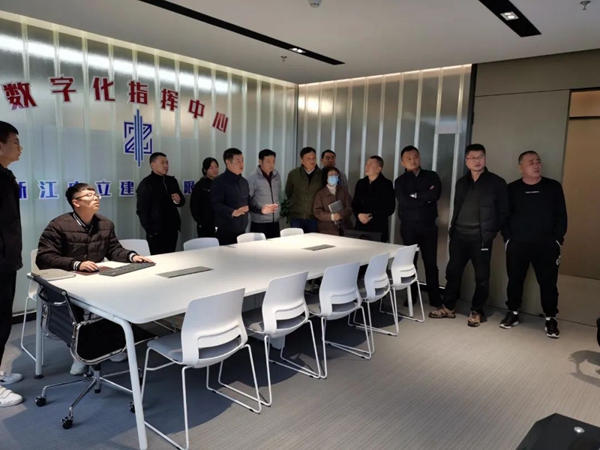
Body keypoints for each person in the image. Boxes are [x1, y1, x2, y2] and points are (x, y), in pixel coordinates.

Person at [36, 183, 152, 374]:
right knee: (74, 310)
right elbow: (44, 257)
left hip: (95, 280)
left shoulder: (105, 224)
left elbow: (114, 250)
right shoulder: (58, 225)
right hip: (66, 282)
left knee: (119, 296)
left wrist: (132, 256)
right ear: (76, 202)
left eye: (95, 194)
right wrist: (76, 264)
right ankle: (79, 352)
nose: (95, 198)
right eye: (89, 196)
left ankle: (111, 345)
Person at [429, 144, 509, 327]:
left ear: (485, 158)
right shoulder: (461, 182)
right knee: (453, 272)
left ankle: (477, 310)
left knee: (482, 277)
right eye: (472, 158)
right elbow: (457, 207)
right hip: (459, 236)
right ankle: (448, 307)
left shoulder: (497, 182)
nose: (477, 161)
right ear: (466, 161)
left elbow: (504, 212)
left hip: (481, 238)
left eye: (480, 156)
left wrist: (491, 232)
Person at [501, 151, 567, 338]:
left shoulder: (553, 187)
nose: (536, 165)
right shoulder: (511, 189)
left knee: (548, 283)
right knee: (515, 279)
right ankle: (513, 312)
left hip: (547, 244)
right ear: (520, 167)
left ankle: (550, 318)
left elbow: (562, 215)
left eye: (538, 161)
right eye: (531, 162)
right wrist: (508, 238)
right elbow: (504, 216)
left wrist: (557, 239)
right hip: (518, 243)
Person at [394, 146, 442, 307]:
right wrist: (424, 198)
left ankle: (435, 298)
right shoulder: (400, 181)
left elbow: (435, 195)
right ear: (402, 162)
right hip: (408, 227)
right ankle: (411, 296)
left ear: (419, 158)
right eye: (408, 158)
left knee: (431, 263)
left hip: (428, 226)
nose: (413, 160)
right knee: (410, 263)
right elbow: (404, 201)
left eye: (415, 157)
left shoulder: (431, 176)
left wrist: (415, 196)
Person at [0, 121, 23, 407]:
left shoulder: (6, 176)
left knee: (3, 320)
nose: (20, 148)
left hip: (6, 261)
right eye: (15, 142)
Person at [211, 148, 272, 245]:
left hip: (241, 229)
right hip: (225, 230)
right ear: (228, 162)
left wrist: (261, 210)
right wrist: (233, 212)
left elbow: (248, 202)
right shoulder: (219, 182)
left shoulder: (243, 182)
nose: (241, 164)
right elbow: (216, 204)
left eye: (242, 160)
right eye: (238, 161)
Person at [136, 152, 185, 255]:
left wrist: (178, 200)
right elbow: (142, 210)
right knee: (158, 259)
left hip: (172, 229)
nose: (166, 166)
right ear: (152, 165)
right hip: (156, 232)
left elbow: (181, 202)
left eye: (167, 163)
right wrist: (150, 231)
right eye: (162, 163)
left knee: (171, 257)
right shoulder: (146, 184)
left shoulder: (171, 181)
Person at [352, 156, 395, 242]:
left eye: (370, 165)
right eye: (366, 164)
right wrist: (359, 214)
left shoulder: (386, 184)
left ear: (378, 169)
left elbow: (390, 208)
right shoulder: (361, 183)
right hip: (361, 226)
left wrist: (371, 216)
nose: (367, 167)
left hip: (378, 227)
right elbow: (354, 203)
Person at [285, 147, 323, 233]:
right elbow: (289, 192)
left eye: (314, 158)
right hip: (296, 216)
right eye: (309, 159)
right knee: (297, 239)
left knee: (313, 240)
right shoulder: (293, 174)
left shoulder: (321, 175)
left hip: (314, 217)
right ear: (302, 161)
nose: (312, 161)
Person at [247, 149, 281, 239]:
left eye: (273, 161)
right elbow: (247, 200)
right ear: (260, 161)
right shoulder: (252, 177)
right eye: (268, 161)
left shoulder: (277, 175)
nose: (271, 164)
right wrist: (260, 210)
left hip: (275, 221)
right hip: (259, 222)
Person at [313, 167, 353, 236]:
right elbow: (317, 212)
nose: (333, 177)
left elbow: (349, 208)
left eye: (335, 175)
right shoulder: (320, 194)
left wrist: (340, 215)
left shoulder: (344, 191)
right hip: (327, 230)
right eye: (331, 175)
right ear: (326, 177)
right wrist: (331, 217)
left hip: (344, 228)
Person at [190, 157, 219, 238]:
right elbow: (194, 205)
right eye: (211, 168)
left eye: (216, 167)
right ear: (205, 170)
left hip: (220, 224)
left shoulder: (221, 184)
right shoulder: (200, 185)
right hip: (205, 225)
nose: (214, 170)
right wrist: (200, 222)